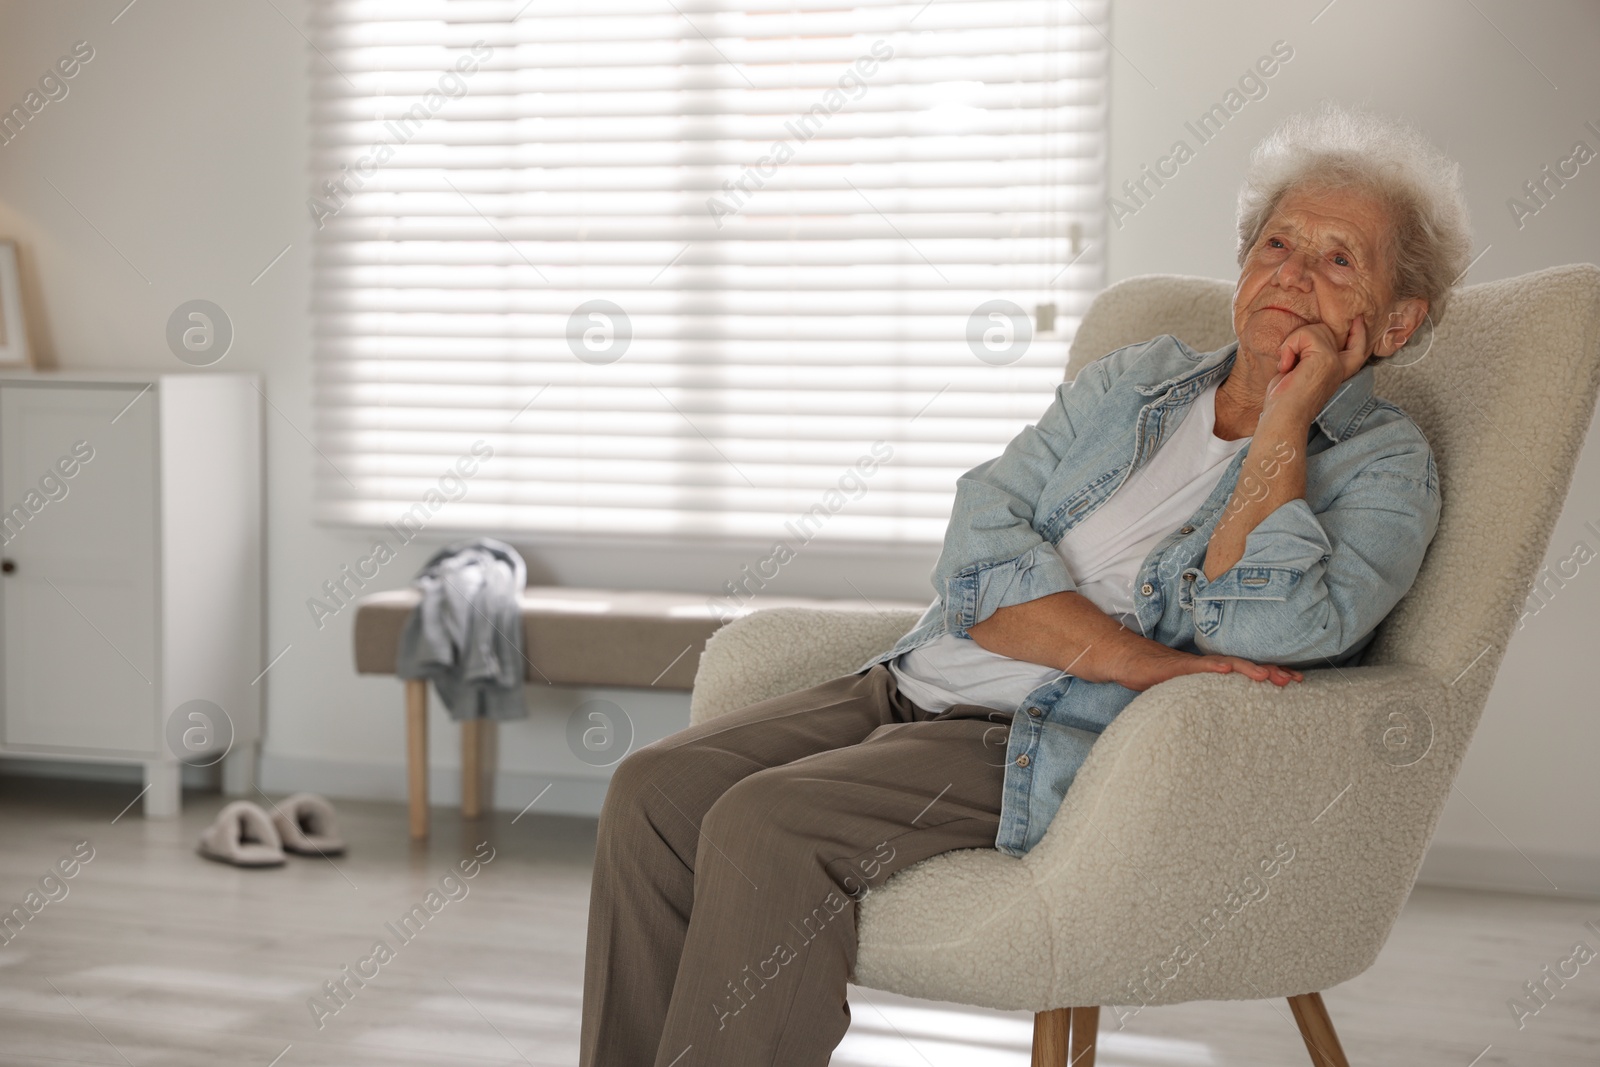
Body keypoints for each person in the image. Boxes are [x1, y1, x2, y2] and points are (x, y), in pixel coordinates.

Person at [578, 103, 1471, 1067]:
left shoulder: (1384, 467)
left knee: (765, 826)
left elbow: (1268, 630)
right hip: (916, 676)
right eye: (1277, 241)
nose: (1291, 270)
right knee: (651, 790)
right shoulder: (1137, 381)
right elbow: (975, 532)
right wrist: (1137, 655)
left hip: (1034, 732)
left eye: (1339, 260)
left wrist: (1288, 423)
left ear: (1395, 321)